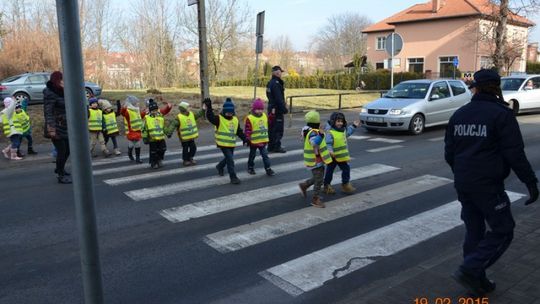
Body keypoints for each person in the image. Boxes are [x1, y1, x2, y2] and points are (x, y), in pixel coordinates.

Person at [444, 69, 539, 296]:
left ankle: (476, 281)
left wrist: (462, 173)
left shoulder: (460, 114)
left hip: (464, 183)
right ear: (497, 88)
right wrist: (531, 183)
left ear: (476, 87)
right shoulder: (501, 115)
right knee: (504, 230)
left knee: (474, 231)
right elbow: (515, 154)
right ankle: (470, 269)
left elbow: (449, 153)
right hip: (488, 185)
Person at [203, 97, 247, 184]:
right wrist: (209, 107)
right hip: (223, 144)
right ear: (224, 111)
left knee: (228, 158)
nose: (229, 114)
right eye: (227, 112)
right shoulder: (219, 119)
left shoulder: (235, 120)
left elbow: (239, 131)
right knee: (230, 160)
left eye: (231, 113)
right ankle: (233, 177)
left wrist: (245, 139)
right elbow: (210, 117)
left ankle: (220, 166)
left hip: (231, 144)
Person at [120, 95, 172, 164]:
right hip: (136, 133)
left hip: (148, 134)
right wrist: (145, 137)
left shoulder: (155, 112)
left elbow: (163, 113)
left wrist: (168, 107)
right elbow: (143, 123)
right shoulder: (138, 112)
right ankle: (131, 154)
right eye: (136, 103)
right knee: (132, 145)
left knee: (138, 145)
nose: (138, 104)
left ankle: (139, 158)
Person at [298, 110, 333, 208]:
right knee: (319, 180)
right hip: (315, 160)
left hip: (318, 159)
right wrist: (321, 135)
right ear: (316, 123)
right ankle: (315, 199)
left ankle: (304, 185)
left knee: (318, 178)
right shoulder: (313, 133)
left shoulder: (309, 131)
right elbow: (314, 143)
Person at [43, 71, 71, 184]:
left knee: (68, 150)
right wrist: (51, 129)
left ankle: (60, 168)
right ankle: (60, 175)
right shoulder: (50, 93)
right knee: (62, 151)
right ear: (57, 80)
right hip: (55, 127)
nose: (64, 82)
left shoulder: (63, 91)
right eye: (62, 79)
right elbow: (48, 112)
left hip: (65, 125)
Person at [322, 112, 360, 195]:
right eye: (338, 121)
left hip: (341, 156)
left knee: (346, 169)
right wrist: (330, 151)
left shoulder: (342, 130)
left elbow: (347, 133)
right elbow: (328, 143)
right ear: (333, 121)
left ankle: (345, 185)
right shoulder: (330, 131)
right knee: (329, 171)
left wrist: (353, 126)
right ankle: (326, 186)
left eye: (341, 121)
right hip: (333, 156)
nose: (340, 123)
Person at [165, 100, 204, 166]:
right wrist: (169, 132)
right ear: (184, 109)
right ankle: (185, 160)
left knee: (193, 148)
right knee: (185, 149)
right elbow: (173, 125)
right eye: (188, 107)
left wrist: (203, 109)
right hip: (184, 138)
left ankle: (190, 157)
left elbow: (198, 114)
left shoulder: (191, 114)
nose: (190, 108)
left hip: (191, 136)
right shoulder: (179, 117)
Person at [244, 98, 275, 176]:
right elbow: (247, 129)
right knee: (252, 155)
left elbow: (268, 122)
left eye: (261, 109)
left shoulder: (264, 116)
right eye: (258, 109)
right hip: (253, 142)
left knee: (265, 155)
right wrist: (247, 138)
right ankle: (250, 167)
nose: (260, 111)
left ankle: (268, 168)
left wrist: (272, 115)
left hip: (263, 141)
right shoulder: (250, 118)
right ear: (254, 109)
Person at [266, 65, 288, 153]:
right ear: (276, 72)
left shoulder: (270, 82)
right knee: (278, 129)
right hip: (277, 109)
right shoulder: (276, 83)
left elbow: (269, 96)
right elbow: (279, 98)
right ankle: (276, 146)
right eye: (280, 72)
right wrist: (284, 109)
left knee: (271, 128)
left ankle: (271, 146)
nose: (281, 74)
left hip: (271, 108)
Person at [142, 100, 167, 169]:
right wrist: (145, 138)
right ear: (150, 111)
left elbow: (163, 126)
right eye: (153, 111)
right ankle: (153, 162)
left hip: (161, 137)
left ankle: (159, 159)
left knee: (163, 149)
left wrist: (168, 132)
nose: (154, 112)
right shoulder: (147, 118)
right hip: (152, 138)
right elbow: (144, 128)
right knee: (153, 152)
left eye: (156, 110)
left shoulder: (160, 117)